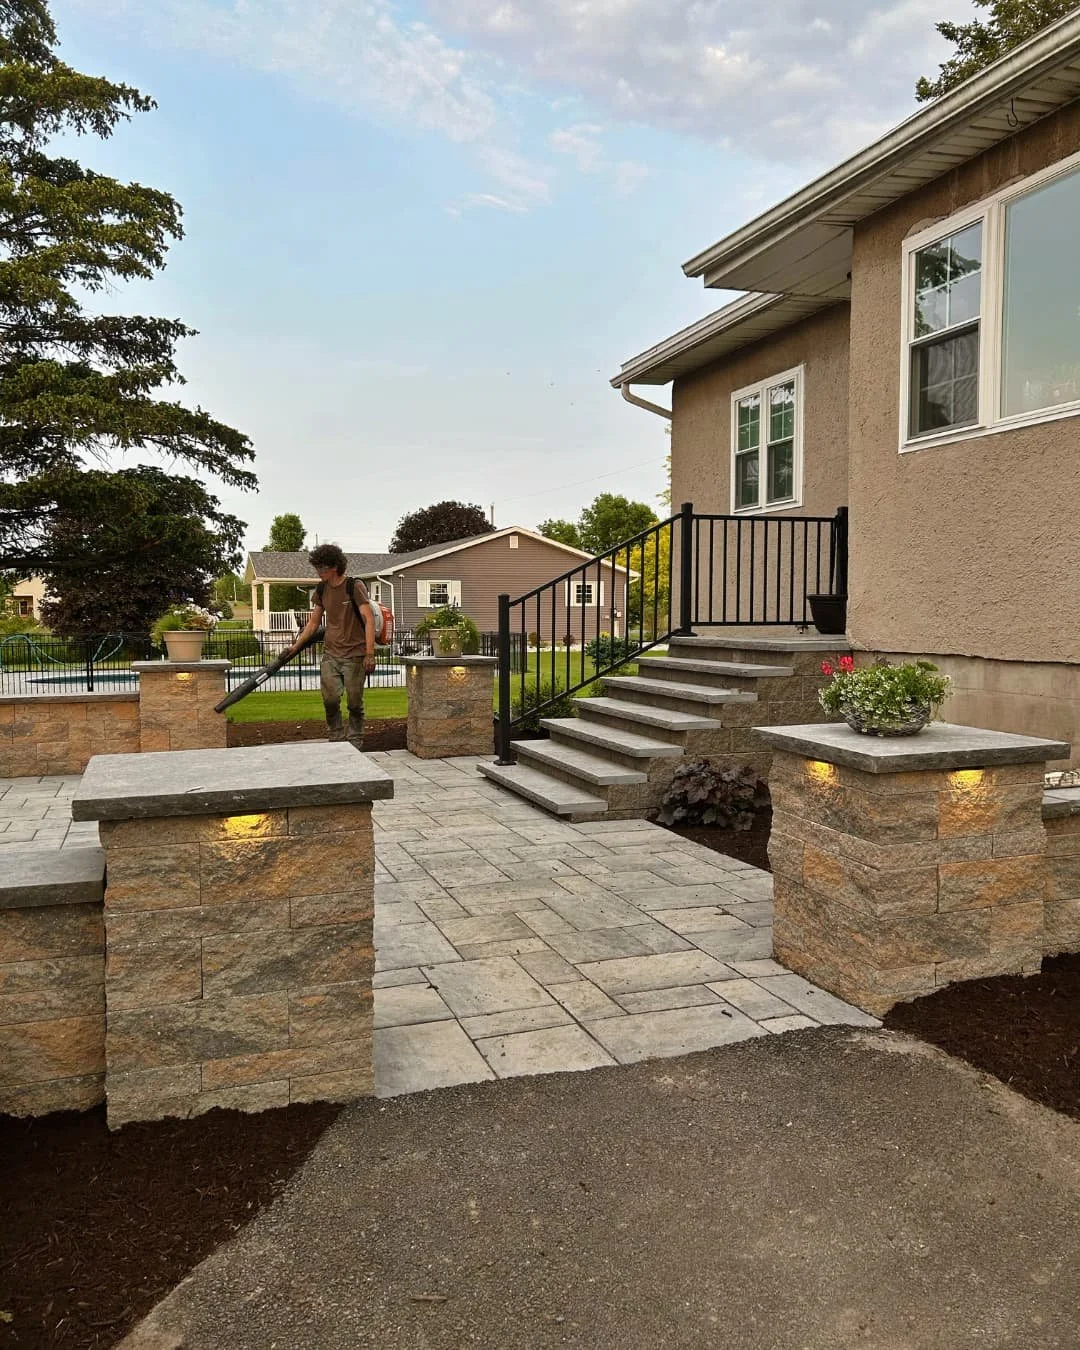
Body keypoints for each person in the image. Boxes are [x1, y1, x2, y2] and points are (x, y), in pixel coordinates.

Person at [287, 543, 376, 750]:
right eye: (317, 567)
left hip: (355, 654)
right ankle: (336, 737)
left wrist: (370, 654)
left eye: (322, 568)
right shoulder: (321, 589)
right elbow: (313, 623)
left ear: (334, 567)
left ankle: (355, 739)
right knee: (330, 699)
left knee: (354, 703)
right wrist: (295, 646)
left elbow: (369, 619)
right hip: (331, 653)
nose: (318, 572)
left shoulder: (354, 586)